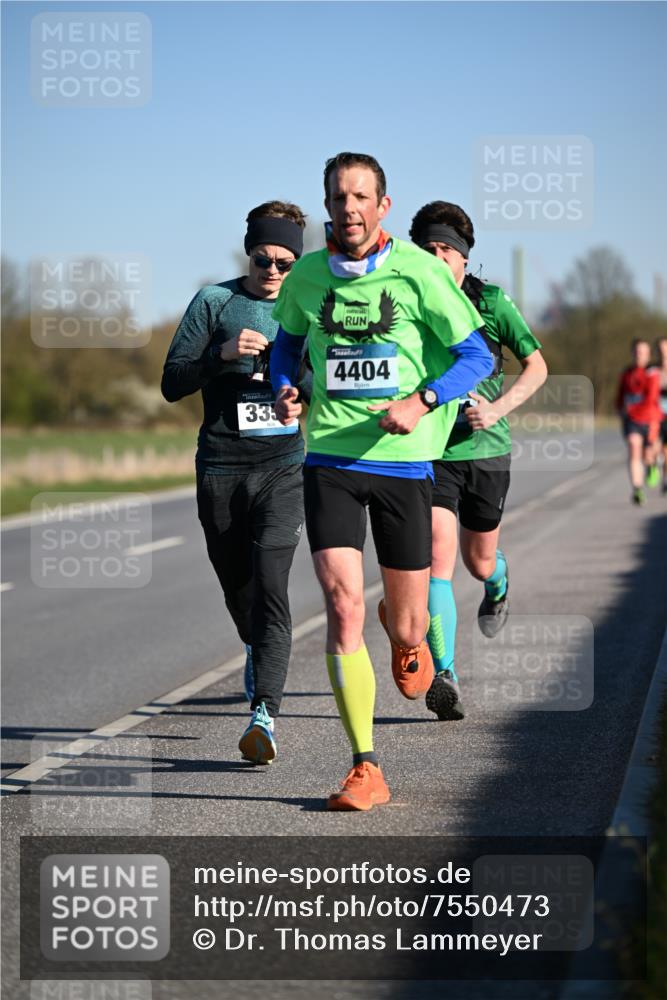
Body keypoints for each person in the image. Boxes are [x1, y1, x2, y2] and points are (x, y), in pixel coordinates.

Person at [269, 152, 493, 811]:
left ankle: (405, 632)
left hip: (402, 463)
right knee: (339, 605)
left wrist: (420, 402)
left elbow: (475, 355)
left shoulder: (420, 271)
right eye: (338, 197)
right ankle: (364, 766)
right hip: (330, 459)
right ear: (328, 205)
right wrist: (286, 385)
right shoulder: (308, 276)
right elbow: (286, 343)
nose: (350, 208)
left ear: (382, 206)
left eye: (361, 196)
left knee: (405, 625)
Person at [161, 201, 310, 765]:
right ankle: (254, 644)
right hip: (220, 467)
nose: (273, 271)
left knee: (272, 585)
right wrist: (221, 355)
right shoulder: (215, 302)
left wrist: (302, 394)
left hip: (283, 467)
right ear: (248, 254)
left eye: (285, 262)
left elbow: (322, 377)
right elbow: (172, 382)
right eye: (263, 259)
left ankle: (263, 714)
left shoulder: (310, 307)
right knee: (238, 586)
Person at [409, 201, 547, 721]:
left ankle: (498, 581)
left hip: (487, 452)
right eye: (428, 248)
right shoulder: (406, 302)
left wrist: (499, 407)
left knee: (478, 560)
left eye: (446, 249)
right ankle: (446, 674)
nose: (438, 257)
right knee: (436, 564)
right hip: (435, 450)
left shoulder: (491, 302)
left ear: (464, 257)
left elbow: (537, 367)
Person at [616, 338, 661, 505]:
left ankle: (651, 466)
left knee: (648, 455)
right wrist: (620, 409)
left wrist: (632, 409)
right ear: (632, 353)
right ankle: (637, 489)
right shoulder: (627, 373)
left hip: (649, 419)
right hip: (631, 421)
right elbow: (621, 395)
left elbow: (651, 398)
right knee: (634, 448)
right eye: (636, 352)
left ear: (648, 355)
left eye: (642, 352)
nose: (639, 355)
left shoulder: (652, 373)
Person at [651, 337, 667, 493]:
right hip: (654, 414)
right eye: (661, 349)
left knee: (666, 450)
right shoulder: (652, 370)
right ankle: (654, 466)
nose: (663, 352)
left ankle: (665, 479)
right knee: (655, 447)